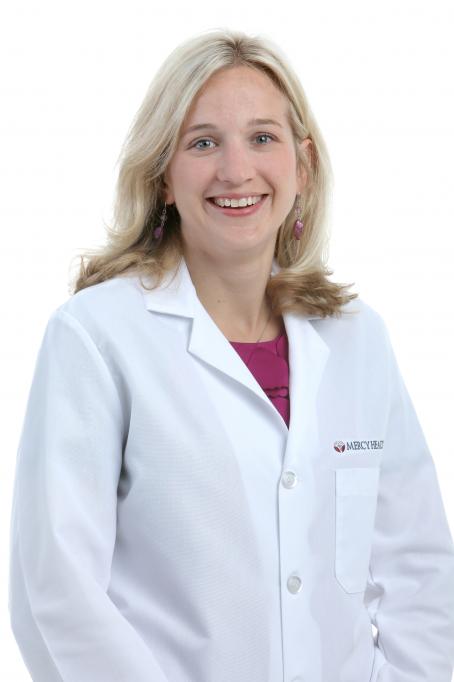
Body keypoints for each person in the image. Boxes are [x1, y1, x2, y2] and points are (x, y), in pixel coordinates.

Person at [8, 28, 454, 682]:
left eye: (262, 138)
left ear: (303, 166)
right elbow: (55, 589)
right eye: (203, 142)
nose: (236, 170)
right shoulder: (96, 336)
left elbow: (418, 569)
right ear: (163, 175)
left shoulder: (358, 338)